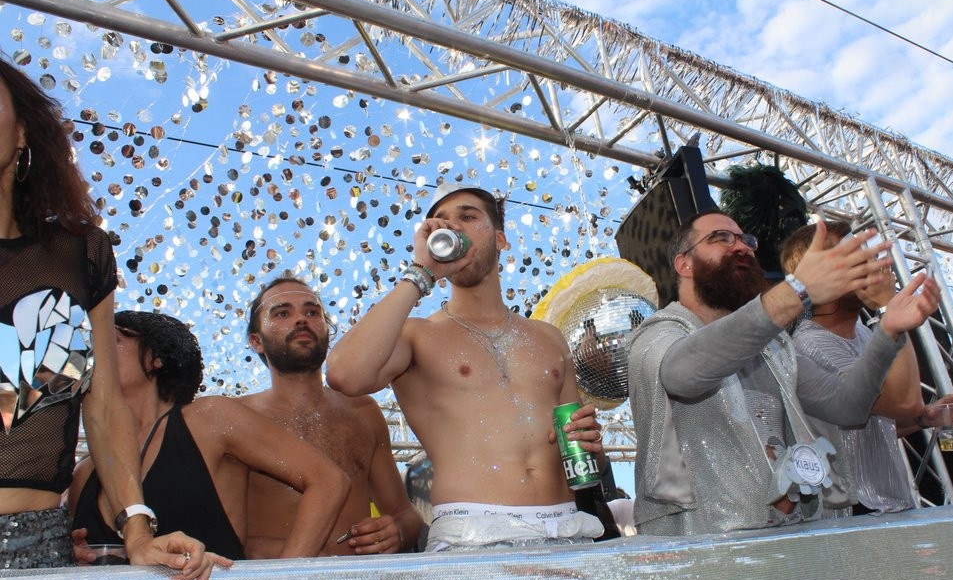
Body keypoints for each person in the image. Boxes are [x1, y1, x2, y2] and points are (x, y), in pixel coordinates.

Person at [0, 58, 215, 580]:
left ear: (23, 128)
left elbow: (102, 405)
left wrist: (137, 532)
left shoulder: (80, 254)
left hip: (34, 547)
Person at [325, 184, 606, 551]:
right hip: (471, 536)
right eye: (442, 222)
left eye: (468, 217)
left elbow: (582, 458)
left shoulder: (549, 338)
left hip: (568, 529)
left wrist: (593, 451)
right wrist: (421, 273)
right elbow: (344, 374)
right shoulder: (417, 335)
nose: (454, 227)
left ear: (501, 239)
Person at [627, 209, 941, 534]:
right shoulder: (657, 334)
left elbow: (848, 407)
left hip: (787, 546)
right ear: (684, 264)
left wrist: (888, 331)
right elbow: (685, 374)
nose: (742, 247)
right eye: (721, 238)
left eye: (746, 240)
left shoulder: (774, 347)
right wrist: (798, 290)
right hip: (703, 552)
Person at [68, 311, 348, 560]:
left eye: (114, 341)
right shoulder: (86, 472)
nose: (95, 352)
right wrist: (74, 557)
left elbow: (327, 480)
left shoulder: (210, 420)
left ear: (156, 358)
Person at [780, 220, 953, 515]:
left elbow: (872, 425)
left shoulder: (866, 333)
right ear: (825, 275)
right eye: (860, 257)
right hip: (858, 512)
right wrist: (889, 309)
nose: (879, 266)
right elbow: (905, 403)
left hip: (889, 504)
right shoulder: (810, 344)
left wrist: (923, 420)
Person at [243, 278, 423, 557]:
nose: (301, 319)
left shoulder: (363, 411)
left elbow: (406, 514)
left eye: (312, 312)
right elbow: (215, 531)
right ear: (256, 341)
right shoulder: (237, 420)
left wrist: (395, 531)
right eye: (282, 313)